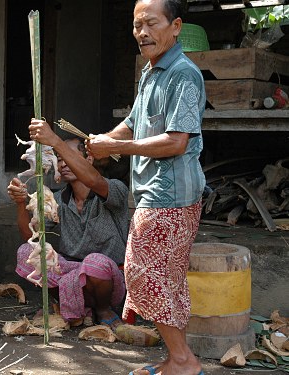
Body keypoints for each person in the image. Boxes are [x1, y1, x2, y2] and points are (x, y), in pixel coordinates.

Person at [86, 0, 206, 374]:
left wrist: (116, 147)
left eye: (151, 23)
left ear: (175, 27)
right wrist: (104, 139)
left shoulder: (184, 74)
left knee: (145, 273)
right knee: (165, 278)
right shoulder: (151, 73)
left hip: (171, 197)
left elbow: (175, 141)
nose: (142, 32)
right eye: (137, 25)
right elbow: (135, 123)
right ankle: (178, 359)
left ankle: (183, 361)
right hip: (153, 195)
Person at [8, 121, 129, 328]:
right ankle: (65, 303)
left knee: (95, 263)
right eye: (60, 159)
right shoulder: (56, 201)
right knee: (26, 251)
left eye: (69, 158)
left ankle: (103, 310)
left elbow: (94, 181)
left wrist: (54, 140)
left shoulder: (114, 189)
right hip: (71, 275)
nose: (63, 164)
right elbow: (31, 236)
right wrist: (20, 204)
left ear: (89, 159)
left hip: (108, 280)